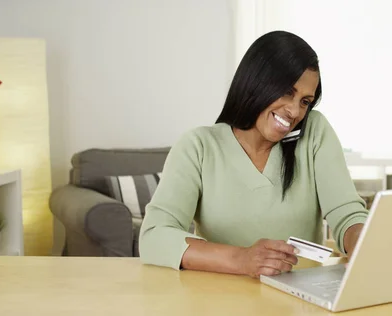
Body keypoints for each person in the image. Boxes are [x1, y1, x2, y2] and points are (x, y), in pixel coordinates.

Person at [139, 30, 368, 278]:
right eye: (287, 92)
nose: (294, 111)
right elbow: (155, 236)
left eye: (305, 101)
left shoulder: (313, 131)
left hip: (303, 303)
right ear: (256, 81)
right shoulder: (199, 147)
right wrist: (241, 259)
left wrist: (362, 243)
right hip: (220, 299)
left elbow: (346, 212)